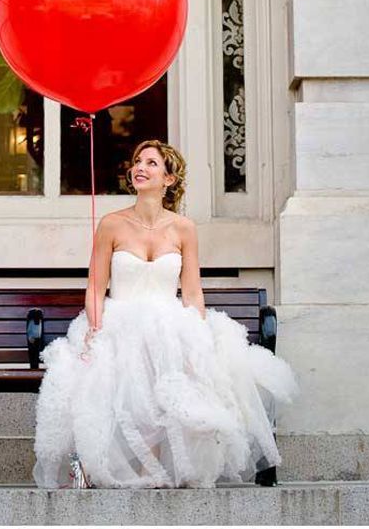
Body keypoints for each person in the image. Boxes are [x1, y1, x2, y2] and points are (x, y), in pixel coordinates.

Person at [32, 139, 298, 489]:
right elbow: (96, 287)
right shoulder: (111, 224)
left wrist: (198, 334)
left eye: (151, 163)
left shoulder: (183, 228)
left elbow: (191, 290)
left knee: (181, 361)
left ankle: (154, 469)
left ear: (169, 179)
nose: (140, 167)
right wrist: (94, 327)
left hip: (168, 321)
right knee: (110, 367)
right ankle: (100, 466)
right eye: (137, 162)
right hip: (118, 320)